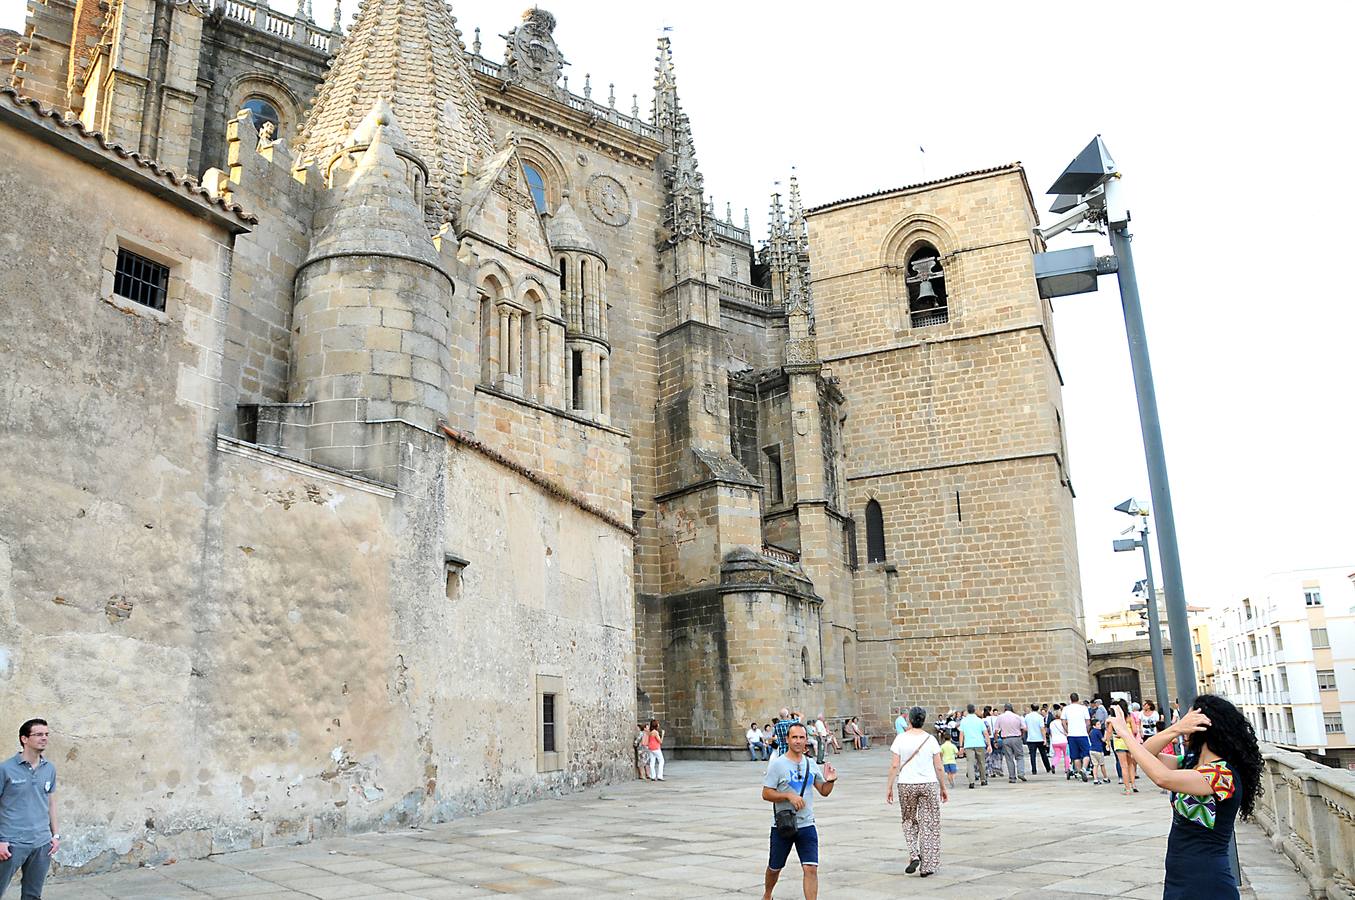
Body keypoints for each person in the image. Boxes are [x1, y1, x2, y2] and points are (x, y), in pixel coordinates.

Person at [1106, 695, 1261, 900]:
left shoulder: (1223, 775)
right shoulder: (1190, 762)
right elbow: (1143, 755)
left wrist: (1125, 733)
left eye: (1188, 719)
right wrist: (1175, 729)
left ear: (1204, 725)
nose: (1183, 722)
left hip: (1207, 880)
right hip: (1179, 875)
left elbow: (1163, 778)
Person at [761, 723, 837, 900]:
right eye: (794, 737)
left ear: (806, 741)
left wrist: (831, 781)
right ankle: (767, 894)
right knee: (775, 867)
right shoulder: (778, 765)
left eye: (801, 737)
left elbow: (823, 791)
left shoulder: (811, 764)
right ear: (787, 739)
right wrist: (788, 795)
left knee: (810, 868)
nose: (798, 741)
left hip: (807, 824)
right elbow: (766, 793)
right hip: (783, 825)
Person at [0, 719, 59, 900]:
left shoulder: (49, 768)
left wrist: (55, 835)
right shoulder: (5, 769)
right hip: (12, 844)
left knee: (33, 896)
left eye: (46, 734)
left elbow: (50, 803)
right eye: (39, 734)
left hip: (41, 843)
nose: (44, 738)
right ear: (24, 739)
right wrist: (1, 840)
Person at [886, 706, 948, 878]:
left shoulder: (900, 739)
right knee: (929, 823)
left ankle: (914, 854)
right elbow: (938, 766)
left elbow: (894, 765)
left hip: (906, 783)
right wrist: (943, 787)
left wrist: (889, 786)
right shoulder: (931, 739)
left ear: (910, 720)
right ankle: (927, 866)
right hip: (928, 783)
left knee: (908, 821)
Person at [1110, 699, 1141, 794]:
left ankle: (1127, 788)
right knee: (1131, 764)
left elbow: (1110, 731)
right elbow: (1135, 731)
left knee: (1123, 766)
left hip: (1119, 742)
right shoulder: (1130, 717)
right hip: (1129, 742)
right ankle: (1133, 784)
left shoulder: (1114, 719)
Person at [1061, 692, 1092, 782]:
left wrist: (1067, 730)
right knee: (1086, 753)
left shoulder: (1066, 709)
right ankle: (1084, 769)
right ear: (1078, 699)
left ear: (1070, 699)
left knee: (1075, 756)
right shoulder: (1083, 708)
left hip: (1072, 735)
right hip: (1082, 734)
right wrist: (1086, 730)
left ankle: (1078, 773)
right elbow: (1088, 722)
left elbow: (1063, 722)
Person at [957, 704, 989, 788]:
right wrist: (989, 744)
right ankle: (983, 780)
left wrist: (961, 746)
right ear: (974, 710)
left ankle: (971, 782)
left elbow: (961, 734)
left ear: (967, 711)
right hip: (980, 743)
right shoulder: (979, 720)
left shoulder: (964, 721)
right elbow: (985, 733)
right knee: (981, 762)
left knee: (970, 763)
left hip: (968, 744)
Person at [994, 703, 1028, 783]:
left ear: (1004, 708)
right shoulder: (1017, 717)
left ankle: (1012, 777)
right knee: (1019, 756)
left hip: (1005, 739)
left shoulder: (1000, 717)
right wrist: (1021, 736)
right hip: (1016, 737)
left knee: (1009, 758)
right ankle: (1021, 772)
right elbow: (1024, 728)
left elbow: (996, 731)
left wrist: (996, 741)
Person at [1023, 703, 1051, 774]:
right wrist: (1044, 739)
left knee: (1032, 755)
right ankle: (1048, 768)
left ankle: (1034, 770)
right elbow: (1042, 728)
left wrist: (1030, 730)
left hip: (1031, 738)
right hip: (1039, 738)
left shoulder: (1027, 716)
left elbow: (1024, 727)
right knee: (1043, 754)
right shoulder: (1040, 717)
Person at [1088, 713, 1110, 784]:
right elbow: (1103, 740)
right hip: (1098, 750)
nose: (1099, 725)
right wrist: (1106, 734)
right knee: (1102, 764)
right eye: (1098, 724)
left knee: (1095, 765)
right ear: (1094, 726)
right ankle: (1105, 777)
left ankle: (1095, 779)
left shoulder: (1091, 732)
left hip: (1092, 750)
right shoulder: (1098, 732)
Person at [1048, 705, 1069, 776]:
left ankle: (1054, 764)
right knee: (1066, 755)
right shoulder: (1062, 722)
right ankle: (1067, 768)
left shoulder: (1051, 723)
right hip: (1063, 740)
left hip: (1055, 741)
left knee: (1057, 755)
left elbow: (1050, 732)